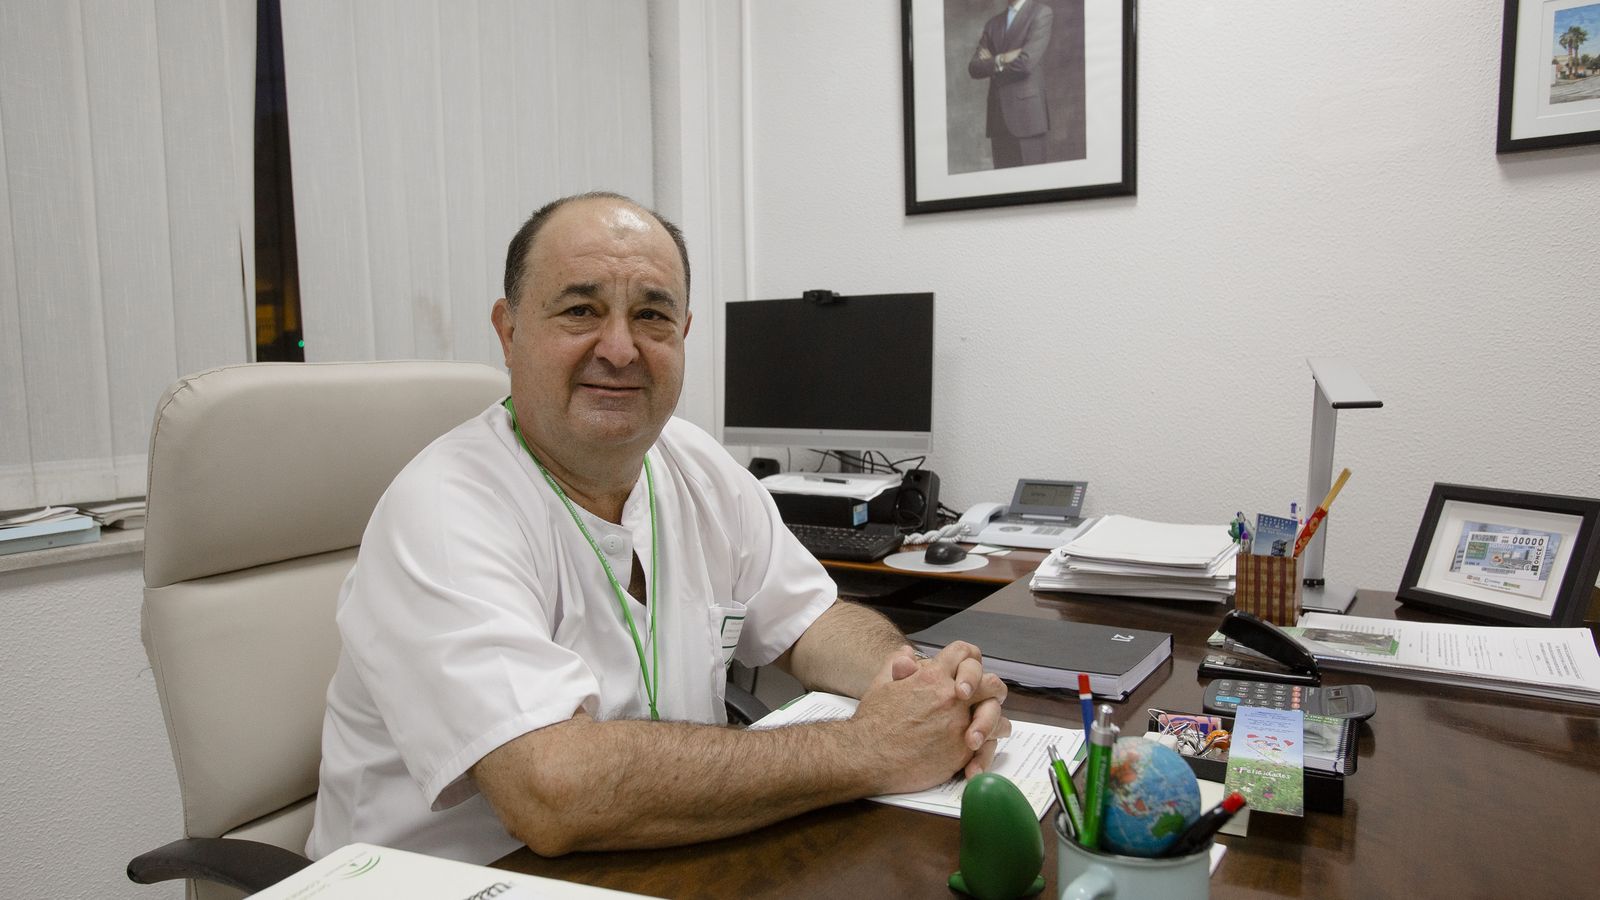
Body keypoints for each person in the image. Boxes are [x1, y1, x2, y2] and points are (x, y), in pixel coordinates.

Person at [306, 192, 1010, 864]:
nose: (620, 348)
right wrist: (870, 747)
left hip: (648, 861)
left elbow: (812, 622)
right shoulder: (443, 509)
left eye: (651, 316)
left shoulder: (691, 461)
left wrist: (922, 689)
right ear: (509, 331)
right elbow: (551, 792)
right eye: (580, 310)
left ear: (683, 334)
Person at [968, 0, 1054, 169]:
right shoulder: (992, 24)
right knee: (1003, 182)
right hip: (998, 119)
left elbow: (1025, 64)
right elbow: (974, 68)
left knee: (1033, 181)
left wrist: (991, 62)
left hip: (1028, 118)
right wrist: (1002, 59)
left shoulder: (1041, 13)